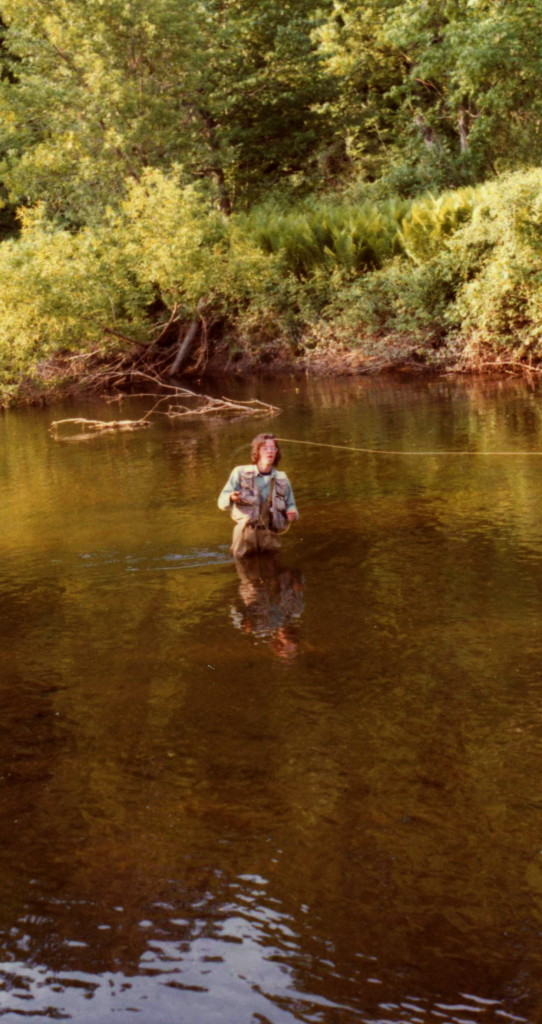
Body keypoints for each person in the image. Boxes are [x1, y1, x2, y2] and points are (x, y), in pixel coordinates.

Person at [218, 433, 298, 558]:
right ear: (257, 451)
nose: (269, 451)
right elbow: (221, 502)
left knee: (273, 571)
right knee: (246, 572)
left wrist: (292, 513)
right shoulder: (239, 472)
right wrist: (231, 497)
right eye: (265, 448)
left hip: (271, 535)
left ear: (276, 452)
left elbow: (291, 505)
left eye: (273, 448)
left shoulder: (282, 478)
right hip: (245, 535)